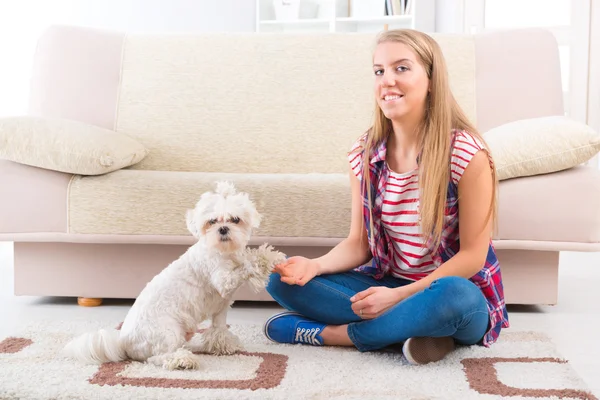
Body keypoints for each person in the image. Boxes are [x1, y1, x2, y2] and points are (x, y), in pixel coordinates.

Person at [262, 28, 509, 365]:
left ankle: (337, 335)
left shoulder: (466, 153)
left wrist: (397, 298)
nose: (387, 80)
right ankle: (418, 335)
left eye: (401, 68)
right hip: (386, 282)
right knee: (280, 280)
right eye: (379, 71)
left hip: (450, 291)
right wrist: (315, 266)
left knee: (455, 298)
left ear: (432, 79)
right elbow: (358, 244)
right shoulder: (365, 152)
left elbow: (472, 258)